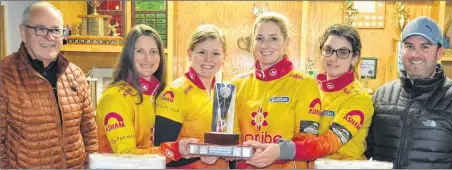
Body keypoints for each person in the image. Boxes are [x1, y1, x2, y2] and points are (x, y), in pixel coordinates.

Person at [243, 24, 374, 168]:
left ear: (355, 58)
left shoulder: (359, 98)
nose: (333, 58)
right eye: (328, 50)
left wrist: (281, 150)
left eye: (342, 52)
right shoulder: (310, 87)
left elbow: (329, 142)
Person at [365, 16, 452, 168]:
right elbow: (365, 151)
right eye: (409, 46)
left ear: (439, 52)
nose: (415, 54)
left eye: (425, 46)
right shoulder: (382, 95)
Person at [0, 2, 98, 168]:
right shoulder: (5, 74)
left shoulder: (75, 75)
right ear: (23, 32)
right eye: (41, 29)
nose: (50, 37)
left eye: (55, 30)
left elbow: (89, 133)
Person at [230, 12, 322, 169]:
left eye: (273, 38)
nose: (265, 45)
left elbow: (308, 138)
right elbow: (230, 138)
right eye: (259, 39)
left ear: (286, 42)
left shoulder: (305, 84)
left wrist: (277, 151)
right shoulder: (237, 84)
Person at [95, 24, 197, 161]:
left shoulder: (159, 94)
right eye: (140, 51)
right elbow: (126, 156)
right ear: (128, 55)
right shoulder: (115, 97)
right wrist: (174, 149)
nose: (148, 59)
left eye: (154, 52)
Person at [154, 24, 229, 169]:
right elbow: (160, 153)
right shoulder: (175, 92)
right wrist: (200, 154)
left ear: (224, 57)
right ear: (189, 54)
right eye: (201, 52)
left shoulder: (221, 93)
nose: (208, 59)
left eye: (215, 53)